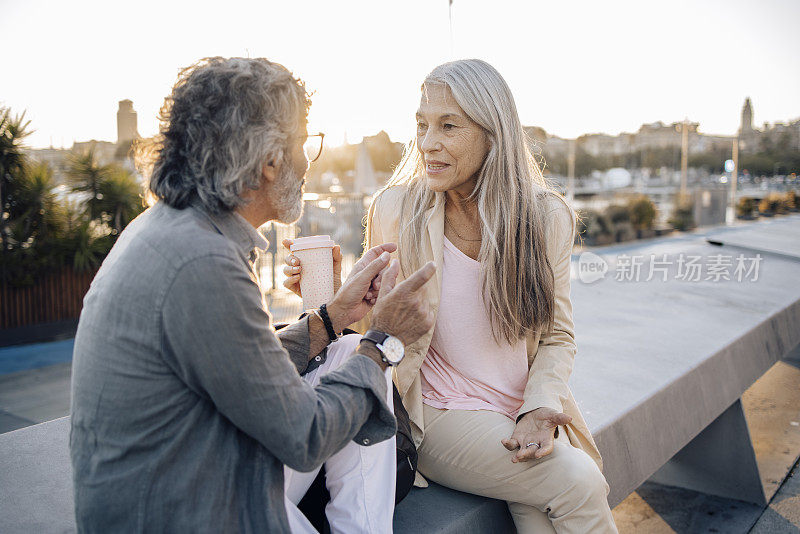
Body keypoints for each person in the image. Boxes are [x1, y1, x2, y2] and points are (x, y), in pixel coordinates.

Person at [69, 56, 436, 534]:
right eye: (307, 143)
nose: (309, 161)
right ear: (269, 162)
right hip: (182, 510)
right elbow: (304, 435)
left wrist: (333, 316)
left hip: (186, 473)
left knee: (346, 348)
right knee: (363, 356)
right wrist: (385, 339)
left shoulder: (177, 230)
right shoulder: (202, 263)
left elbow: (245, 368)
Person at [284, 59, 618, 533]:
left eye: (447, 126)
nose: (427, 143)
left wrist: (539, 409)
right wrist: (329, 299)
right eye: (421, 125)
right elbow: (374, 336)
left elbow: (558, 336)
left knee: (542, 517)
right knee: (577, 481)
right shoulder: (397, 208)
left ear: (491, 133)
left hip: (519, 409)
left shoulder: (546, 218)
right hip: (436, 413)